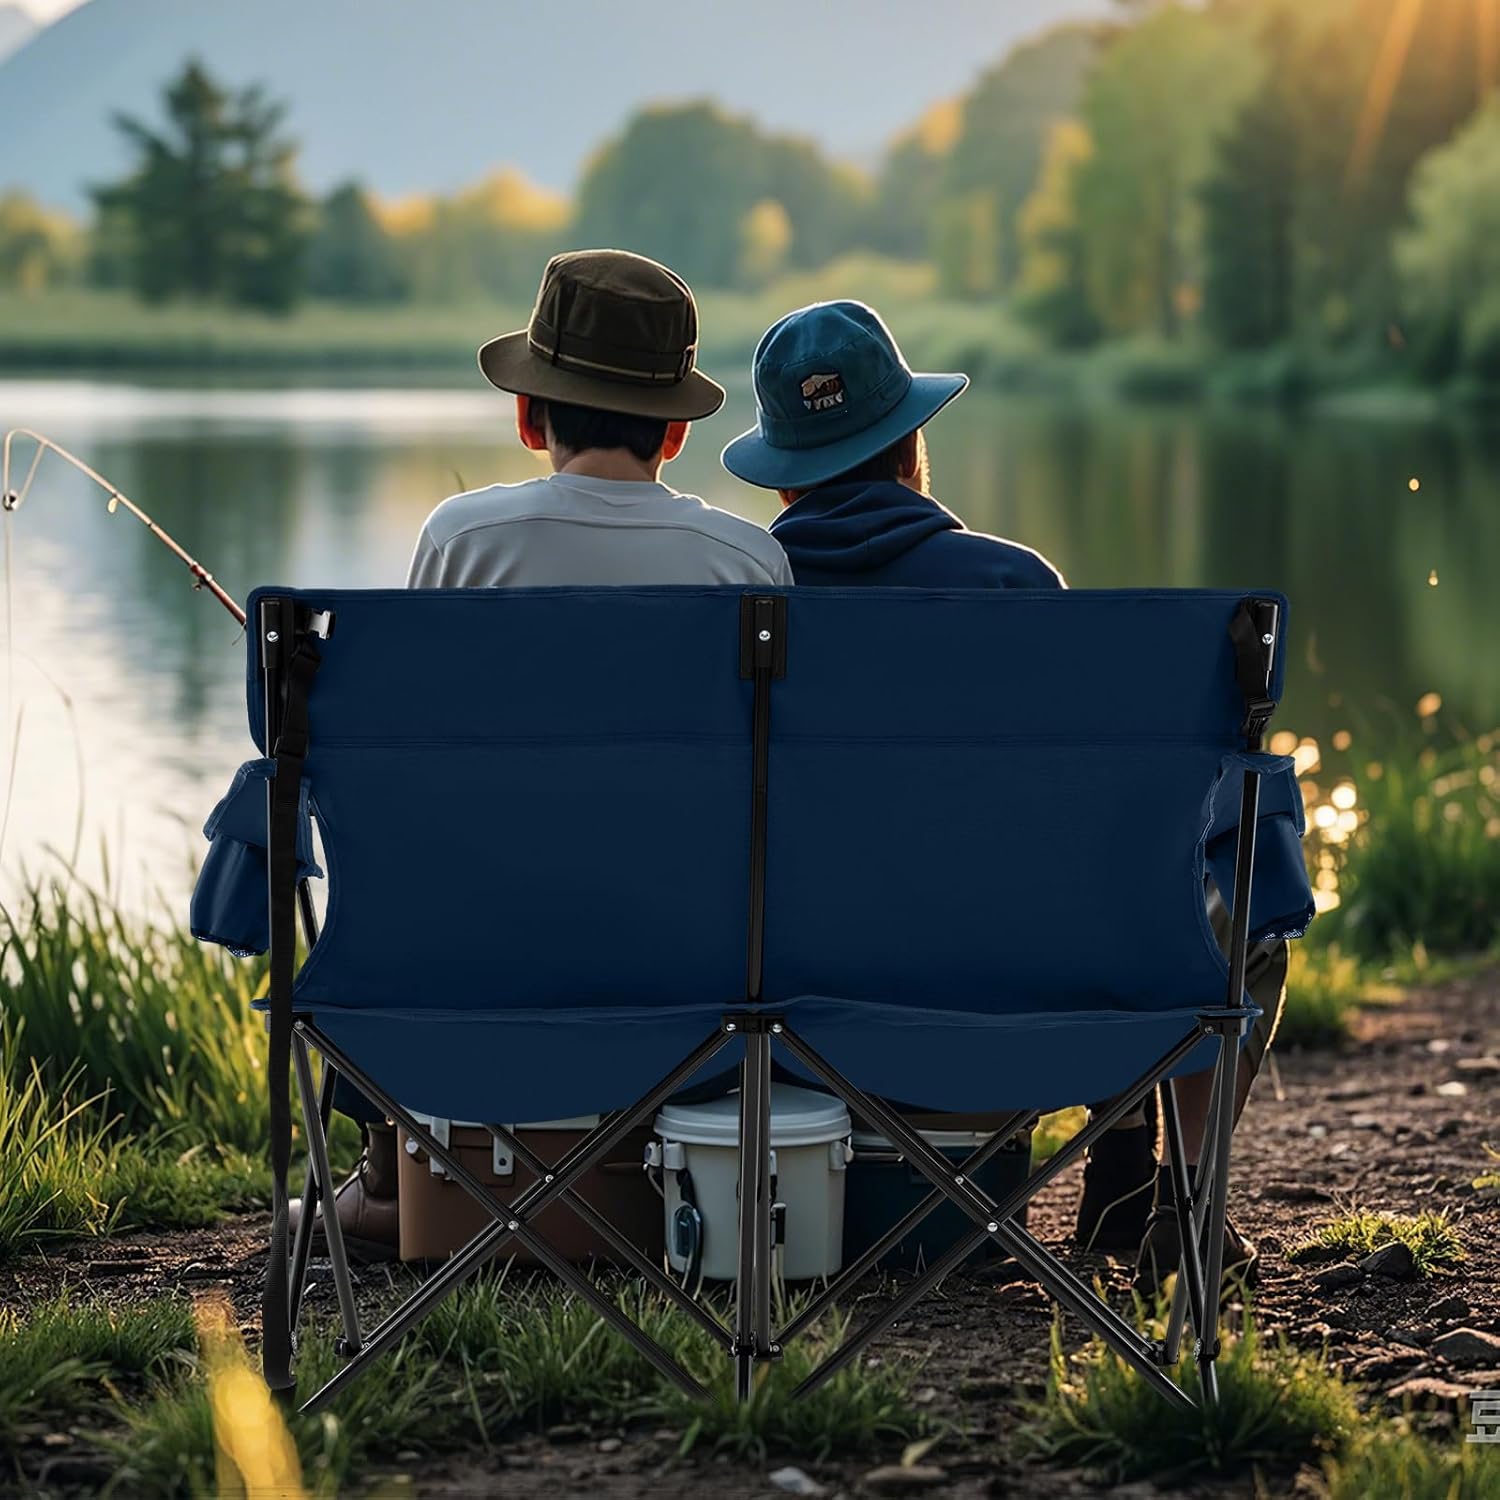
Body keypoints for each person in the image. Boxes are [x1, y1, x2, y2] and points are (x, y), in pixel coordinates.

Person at [721, 299, 1286, 1289]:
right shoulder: (1012, 586)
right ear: (912, 452)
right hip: (1023, 1002)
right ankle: (1183, 1203)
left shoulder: (741, 604)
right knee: (1241, 880)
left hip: (785, 1007)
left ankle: (1124, 1166)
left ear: (785, 479)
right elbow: (1090, 824)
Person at [294, 249, 791, 1259]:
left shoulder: (463, 539)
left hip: (485, 956)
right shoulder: (749, 562)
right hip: (699, 965)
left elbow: (413, 756)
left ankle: (390, 1177)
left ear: (529, 417)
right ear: (676, 431)